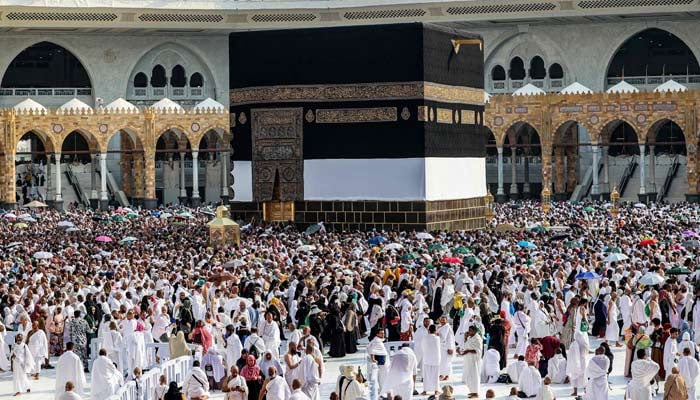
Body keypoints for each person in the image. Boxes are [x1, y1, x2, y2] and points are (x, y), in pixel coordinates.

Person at [459, 325, 482, 398]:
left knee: (474, 376)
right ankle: (472, 391)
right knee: (469, 376)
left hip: (474, 360)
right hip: (468, 359)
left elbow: (478, 350)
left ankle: (476, 393)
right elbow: (466, 346)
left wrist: (468, 351)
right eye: (469, 330)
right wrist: (465, 338)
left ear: (475, 331)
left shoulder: (477, 338)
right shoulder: (469, 337)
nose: (469, 331)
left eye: (471, 330)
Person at [421, 324, 441, 395]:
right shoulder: (437, 338)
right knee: (435, 375)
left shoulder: (424, 338)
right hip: (436, 359)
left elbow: (422, 347)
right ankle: (436, 390)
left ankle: (425, 390)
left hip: (427, 358)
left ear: (428, 330)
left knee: (426, 375)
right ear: (435, 331)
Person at [437, 316, 455, 381]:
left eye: (444, 320)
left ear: (446, 321)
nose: (442, 322)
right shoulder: (441, 327)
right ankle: (442, 374)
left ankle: (447, 375)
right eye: (441, 320)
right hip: (441, 347)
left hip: (447, 347)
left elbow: (449, 338)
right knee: (442, 361)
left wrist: (450, 348)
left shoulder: (447, 327)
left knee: (447, 362)